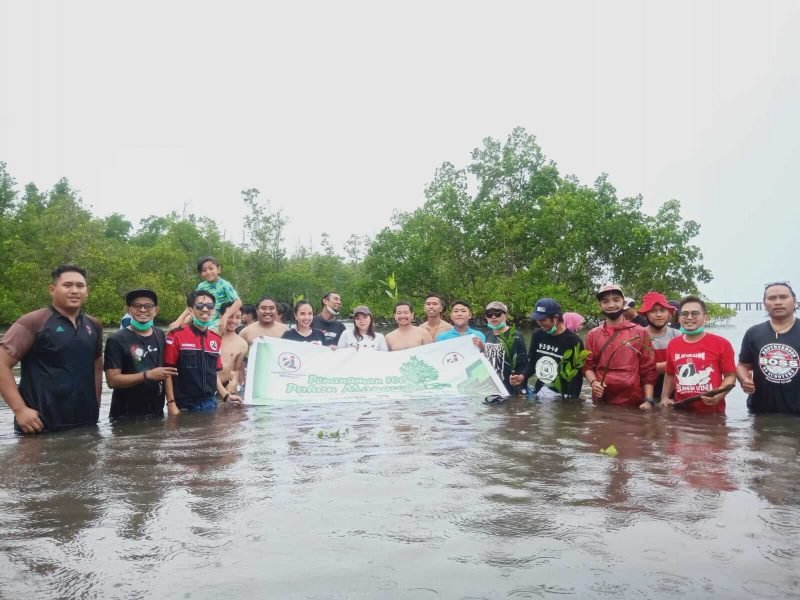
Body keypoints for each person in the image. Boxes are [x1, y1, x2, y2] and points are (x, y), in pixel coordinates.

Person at [0, 264, 103, 433]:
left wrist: (96, 402)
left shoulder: (94, 325)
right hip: (39, 423)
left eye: (80, 286)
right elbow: (2, 363)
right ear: (52, 289)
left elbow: (97, 364)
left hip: (85, 421)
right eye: (67, 285)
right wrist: (20, 410)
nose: (75, 291)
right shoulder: (33, 322)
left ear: (87, 291)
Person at [164, 290, 243, 414]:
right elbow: (167, 372)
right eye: (200, 306)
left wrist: (226, 395)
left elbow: (213, 373)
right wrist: (171, 403)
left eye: (210, 306)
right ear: (190, 310)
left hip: (210, 403)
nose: (205, 309)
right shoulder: (175, 335)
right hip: (183, 404)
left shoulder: (215, 338)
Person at [104, 289, 178, 419]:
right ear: (128, 310)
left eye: (148, 306)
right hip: (125, 415)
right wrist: (147, 375)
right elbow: (112, 381)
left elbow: (166, 372)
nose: (143, 310)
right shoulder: (116, 340)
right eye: (137, 306)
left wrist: (171, 403)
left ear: (156, 310)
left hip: (156, 412)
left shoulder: (160, 334)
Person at [583, 283, 657, 408]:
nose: (611, 305)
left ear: (623, 303)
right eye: (605, 301)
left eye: (616, 300)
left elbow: (648, 369)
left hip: (634, 402)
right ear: (600, 305)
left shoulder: (640, 332)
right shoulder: (593, 334)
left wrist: (649, 400)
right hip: (602, 400)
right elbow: (587, 365)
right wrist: (594, 383)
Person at [661, 296, 737, 414]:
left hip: (712, 413)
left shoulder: (722, 343)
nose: (689, 317)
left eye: (695, 313)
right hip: (681, 413)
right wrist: (664, 398)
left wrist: (719, 395)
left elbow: (730, 376)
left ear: (706, 318)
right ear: (679, 318)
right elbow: (670, 374)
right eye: (685, 314)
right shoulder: (673, 344)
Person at [737, 282, 800, 413]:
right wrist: (744, 380)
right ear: (765, 304)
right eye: (772, 298)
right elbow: (743, 365)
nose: (778, 302)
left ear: (794, 301)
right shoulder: (753, 333)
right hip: (760, 412)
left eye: (783, 297)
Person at [512, 298, 584, 400]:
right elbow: (532, 362)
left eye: (543, 320)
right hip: (540, 390)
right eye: (537, 320)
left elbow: (576, 376)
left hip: (562, 394)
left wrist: (572, 402)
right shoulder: (538, 334)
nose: (539, 323)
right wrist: (522, 376)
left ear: (555, 318)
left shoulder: (574, 341)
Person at [169, 256, 241, 333]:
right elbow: (192, 305)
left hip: (216, 318)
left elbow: (238, 302)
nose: (208, 272)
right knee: (181, 324)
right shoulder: (201, 286)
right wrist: (179, 320)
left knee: (211, 334)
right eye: (204, 270)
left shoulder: (224, 285)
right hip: (202, 313)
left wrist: (225, 316)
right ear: (200, 273)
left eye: (211, 268)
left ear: (218, 269)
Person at [639, 291, 680, 399]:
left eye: (662, 310)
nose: (659, 315)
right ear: (646, 314)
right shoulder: (637, 337)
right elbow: (638, 370)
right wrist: (672, 365)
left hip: (674, 391)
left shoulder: (678, 336)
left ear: (668, 313)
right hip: (646, 393)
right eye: (653, 311)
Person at [482, 301, 528, 395]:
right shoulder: (488, 335)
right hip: (493, 388)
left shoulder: (515, 336)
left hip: (510, 389)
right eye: (489, 314)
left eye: (498, 313)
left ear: (505, 315)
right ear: (486, 317)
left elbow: (523, 365)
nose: (493, 317)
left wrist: (520, 391)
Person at [219, 302, 248, 396]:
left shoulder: (242, 344)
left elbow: (236, 369)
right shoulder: (210, 336)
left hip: (226, 387)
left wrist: (234, 381)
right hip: (206, 385)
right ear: (222, 316)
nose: (233, 320)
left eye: (238, 317)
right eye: (230, 316)